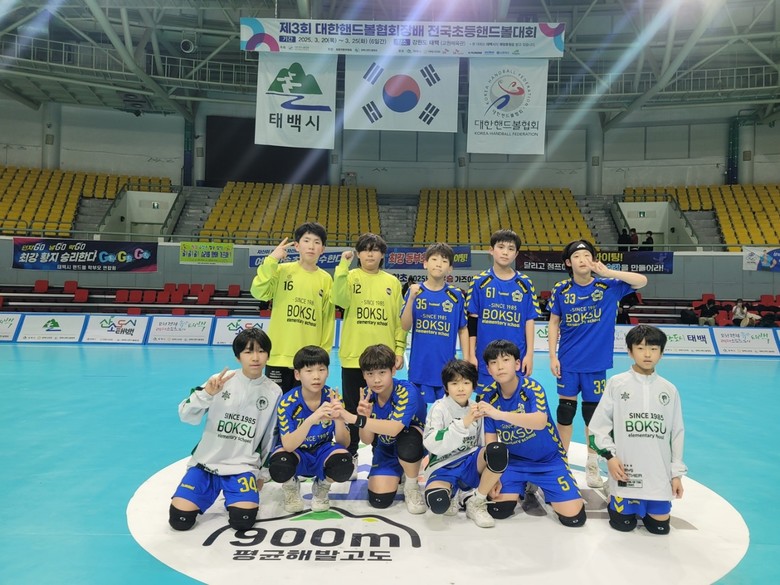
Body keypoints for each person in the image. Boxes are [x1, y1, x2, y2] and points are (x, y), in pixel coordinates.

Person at [547, 239, 648, 488]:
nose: (583, 260)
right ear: (568, 262)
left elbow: (642, 281)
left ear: (594, 260)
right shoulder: (562, 289)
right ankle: (562, 462)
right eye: (577, 256)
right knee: (565, 413)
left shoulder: (608, 286)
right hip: (568, 362)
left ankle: (592, 463)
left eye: (587, 256)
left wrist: (608, 271)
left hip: (595, 364)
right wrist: (552, 356)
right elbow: (553, 322)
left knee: (592, 417)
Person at [168, 328, 282, 532]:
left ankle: (236, 496)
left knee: (242, 522)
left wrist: (262, 475)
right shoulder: (219, 381)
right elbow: (185, 414)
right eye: (248, 352)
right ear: (238, 357)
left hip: (242, 467)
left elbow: (270, 438)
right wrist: (207, 394)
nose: (255, 358)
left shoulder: (274, 392)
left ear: (268, 355)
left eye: (261, 351)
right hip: (206, 464)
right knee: (180, 520)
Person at [476, 340, 586, 527]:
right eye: (493, 362)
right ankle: (523, 483)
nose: (500, 366)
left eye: (505, 360)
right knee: (498, 510)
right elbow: (491, 440)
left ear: (517, 364)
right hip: (514, 462)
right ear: (488, 369)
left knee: (574, 519)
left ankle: (540, 484)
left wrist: (499, 414)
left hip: (548, 460)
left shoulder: (532, 388)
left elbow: (540, 421)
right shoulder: (487, 396)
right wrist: (493, 475)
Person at [589, 325, 686, 535]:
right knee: (623, 526)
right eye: (640, 348)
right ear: (630, 351)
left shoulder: (669, 390)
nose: (647, 354)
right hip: (626, 474)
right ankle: (612, 491)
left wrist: (676, 475)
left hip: (658, 478)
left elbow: (676, 433)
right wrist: (609, 457)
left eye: (653, 348)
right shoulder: (617, 383)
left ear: (662, 352)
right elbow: (598, 426)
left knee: (659, 529)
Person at [332, 233, 407, 471]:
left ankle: (380, 455)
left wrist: (399, 349)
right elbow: (339, 299)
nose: (370, 254)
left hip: (383, 361)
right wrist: (342, 267)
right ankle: (351, 454)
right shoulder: (349, 276)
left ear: (382, 254)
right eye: (365, 249)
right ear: (358, 254)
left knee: (381, 410)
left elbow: (399, 321)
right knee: (353, 408)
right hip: (353, 357)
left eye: (375, 250)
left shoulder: (392, 283)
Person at [337, 344, 428, 514]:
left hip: (411, 442)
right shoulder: (367, 394)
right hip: (385, 447)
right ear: (363, 375)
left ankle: (411, 485)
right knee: (379, 500)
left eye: (382, 372)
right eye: (370, 374)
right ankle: (400, 471)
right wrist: (364, 416)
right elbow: (367, 440)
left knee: (408, 444)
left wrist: (353, 418)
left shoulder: (406, 391)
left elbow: (394, 429)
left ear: (393, 371)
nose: (376, 380)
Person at [249, 222, 335, 392]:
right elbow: (258, 292)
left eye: (317, 242)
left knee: (305, 405)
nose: (311, 246)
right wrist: (271, 260)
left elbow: (327, 320)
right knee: (274, 404)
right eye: (306, 241)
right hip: (279, 356)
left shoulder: (326, 280)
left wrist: (322, 355)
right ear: (297, 245)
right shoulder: (281, 270)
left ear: (322, 249)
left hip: (309, 360)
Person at [422, 359, 507, 528]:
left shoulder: (477, 407)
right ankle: (454, 493)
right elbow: (431, 443)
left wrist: (493, 477)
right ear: (446, 387)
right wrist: (464, 423)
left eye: (466, 383)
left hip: (470, 464)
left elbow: (482, 443)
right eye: (454, 383)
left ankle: (476, 501)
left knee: (497, 450)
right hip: (443, 465)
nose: (461, 388)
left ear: (473, 386)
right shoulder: (439, 408)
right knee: (438, 503)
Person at [268, 346, 353, 513]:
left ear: (328, 372)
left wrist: (339, 418)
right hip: (296, 452)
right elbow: (289, 445)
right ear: (297, 374)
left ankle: (322, 487)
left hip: (322, 451)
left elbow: (344, 444)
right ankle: (291, 487)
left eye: (321, 369)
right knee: (279, 465)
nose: (316, 376)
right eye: (309, 371)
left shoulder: (333, 398)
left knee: (344, 463)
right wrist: (311, 420)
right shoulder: (287, 402)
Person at [466, 229, 539, 395]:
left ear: (516, 254)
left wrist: (529, 355)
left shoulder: (525, 283)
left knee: (513, 402)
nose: (505, 252)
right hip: (485, 358)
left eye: (511, 249)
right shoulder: (479, 282)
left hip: (516, 358)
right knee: (484, 403)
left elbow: (529, 320)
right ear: (491, 250)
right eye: (501, 247)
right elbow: (473, 320)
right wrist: (471, 354)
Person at [401, 242, 469, 403]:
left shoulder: (456, 295)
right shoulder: (415, 292)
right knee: (419, 414)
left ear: (450, 269)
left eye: (444, 261)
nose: (439, 264)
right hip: (420, 369)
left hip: (447, 370)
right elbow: (405, 326)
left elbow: (463, 329)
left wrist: (466, 359)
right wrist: (411, 299)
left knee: (448, 414)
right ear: (425, 263)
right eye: (434, 259)